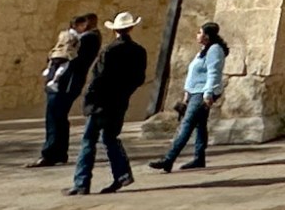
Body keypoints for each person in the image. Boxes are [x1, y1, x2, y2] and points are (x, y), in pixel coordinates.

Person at [69, 11, 146, 196]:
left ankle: (82, 183)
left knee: (89, 141)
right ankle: (122, 174)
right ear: (131, 27)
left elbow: (98, 78)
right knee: (110, 138)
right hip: (119, 102)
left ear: (115, 30)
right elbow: (138, 79)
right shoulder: (138, 51)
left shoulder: (110, 51)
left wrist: (89, 100)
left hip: (101, 103)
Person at [150, 22, 226, 173]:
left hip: (202, 92)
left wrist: (208, 93)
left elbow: (213, 73)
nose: (197, 35)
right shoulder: (203, 50)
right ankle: (199, 157)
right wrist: (187, 93)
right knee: (200, 125)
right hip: (195, 92)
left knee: (187, 124)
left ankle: (169, 159)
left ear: (207, 35)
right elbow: (194, 73)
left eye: (200, 32)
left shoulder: (214, 50)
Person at [34, 14, 99, 168]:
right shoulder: (85, 38)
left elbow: (73, 58)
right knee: (59, 117)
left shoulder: (88, 39)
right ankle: (58, 152)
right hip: (66, 83)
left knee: (54, 116)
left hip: (66, 84)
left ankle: (51, 152)